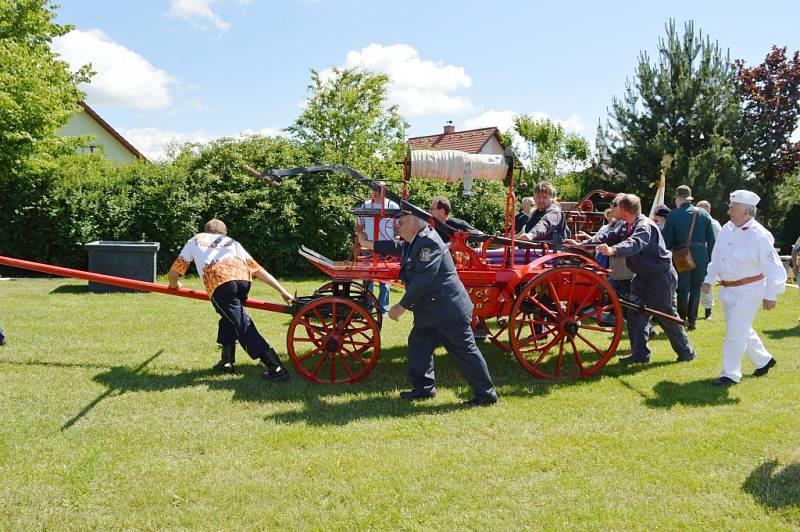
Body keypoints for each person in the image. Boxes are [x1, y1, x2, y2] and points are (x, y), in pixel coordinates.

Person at [356, 211, 499, 406]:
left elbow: (423, 278)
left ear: (415, 221)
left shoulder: (428, 242)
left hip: (448, 310)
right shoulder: (415, 241)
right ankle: (424, 390)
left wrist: (401, 305)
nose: (397, 225)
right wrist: (366, 242)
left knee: (465, 353)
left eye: (401, 221)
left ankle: (486, 396)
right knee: (418, 346)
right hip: (432, 310)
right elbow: (396, 247)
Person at [568, 193, 696, 365]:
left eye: (616, 205)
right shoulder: (626, 225)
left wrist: (613, 251)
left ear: (624, 209)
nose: (613, 208)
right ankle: (640, 354)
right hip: (642, 276)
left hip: (659, 277)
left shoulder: (644, 226)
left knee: (666, 315)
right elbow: (608, 236)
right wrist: (588, 243)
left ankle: (686, 352)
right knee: (636, 314)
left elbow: (635, 243)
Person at [168, 218, 294, 380]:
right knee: (229, 319)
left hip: (220, 283)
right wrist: (282, 291)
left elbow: (173, 273)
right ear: (223, 233)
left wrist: (174, 285)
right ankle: (226, 362)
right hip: (244, 281)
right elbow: (258, 270)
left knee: (241, 323)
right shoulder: (232, 242)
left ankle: (275, 367)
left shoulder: (196, 240)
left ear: (206, 230)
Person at [702, 190, 787, 386]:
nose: (729, 210)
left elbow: (775, 268)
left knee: (734, 333)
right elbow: (717, 258)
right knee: (741, 329)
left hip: (749, 290)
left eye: (734, 208)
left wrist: (771, 294)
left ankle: (730, 375)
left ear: (747, 212)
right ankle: (764, 360)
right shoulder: (726, 228)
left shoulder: (760, 235)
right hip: (727, 290)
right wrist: (709, 278)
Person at [662, 185, 716, 330]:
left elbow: (667, 240)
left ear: (678, 199)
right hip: (701, 257)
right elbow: (711, 240)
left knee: (683, 289)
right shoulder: (704, 214)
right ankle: (692, 322)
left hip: (682, 256)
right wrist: (711, 259)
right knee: (696, 289)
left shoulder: (674, 214)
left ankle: (682, 321)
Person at [358, 183, 399, 315]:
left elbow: (398, 228)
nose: (374, 194)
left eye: (378, 191)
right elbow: (359, 226)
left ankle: (383, 309)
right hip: (368, 247)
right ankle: (367, 307)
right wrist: (360, 241)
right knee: (367, 279)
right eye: (373, 190)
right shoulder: (365, 206)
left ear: (384, 191)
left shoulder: (392, 207)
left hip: (386, 247)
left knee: (384, 279)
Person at [696, 200, 722, 319]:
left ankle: (708, 310)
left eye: (704, 207)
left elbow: (717, 244)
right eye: (699, 207)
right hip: (693, 258)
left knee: (706, 284)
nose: (701, 210)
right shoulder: (693, 222)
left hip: (707, 258)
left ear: (709, 210)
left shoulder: (713, 224)